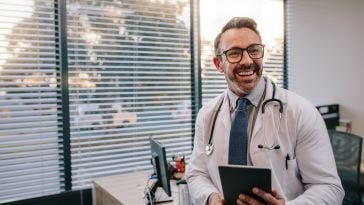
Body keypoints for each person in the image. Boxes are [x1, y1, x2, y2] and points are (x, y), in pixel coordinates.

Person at [185, 17, 344, 205]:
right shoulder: (207, 115)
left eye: (253, 50)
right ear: (218, 64)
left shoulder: (301, 112)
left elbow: (330, 188)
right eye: (235, 53)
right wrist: (211, 197)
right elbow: (196, 173)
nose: (247, 60)